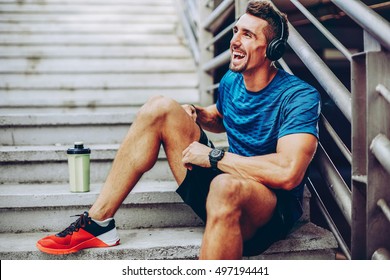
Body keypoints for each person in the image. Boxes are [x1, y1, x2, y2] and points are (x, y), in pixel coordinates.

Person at [36, 0, 321, 259]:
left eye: (247, 35)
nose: (234, 41)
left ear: (273, 49)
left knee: (224, 186)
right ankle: (99, 222)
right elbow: (222, 115)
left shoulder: (299, 97)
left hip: (267, 208)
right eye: (236, 31)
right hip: (225, 184)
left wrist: (213, 157)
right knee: (159, 106)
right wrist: (198, 114)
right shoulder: (232, 82)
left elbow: (288, 171)